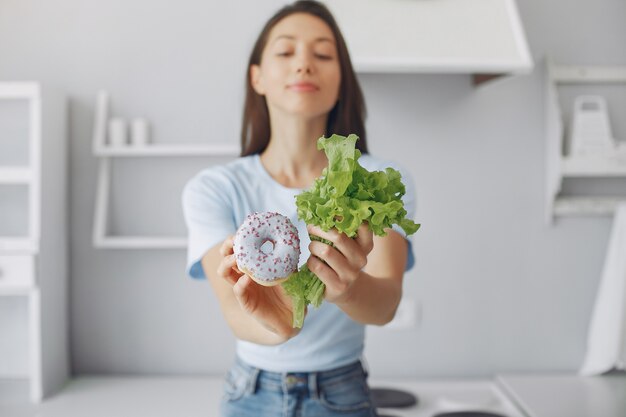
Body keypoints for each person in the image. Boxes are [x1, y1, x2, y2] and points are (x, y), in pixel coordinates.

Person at [182, 1, 416, 416]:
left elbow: (386, 305)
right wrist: (278, 327)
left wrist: (348, 287)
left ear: (341, 81)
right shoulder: (215, 188)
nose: (304, 64)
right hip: (249, 391)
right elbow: (235, 312)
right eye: (286, 52)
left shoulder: (377, 182)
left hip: (342, 393)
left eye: (323, 54)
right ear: (257, 76)